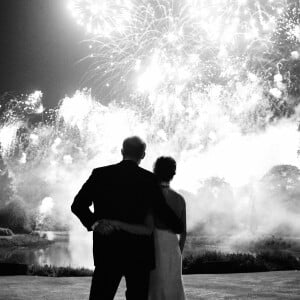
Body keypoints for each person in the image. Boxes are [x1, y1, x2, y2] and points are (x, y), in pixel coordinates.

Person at [71, 136, 184, 300]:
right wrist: (177, 225)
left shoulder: (100, 174)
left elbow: (78, 205)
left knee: (100, 296)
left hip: (107, 249)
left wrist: (95, 223)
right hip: (139, 253)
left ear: (122, 151)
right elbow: (162, 210)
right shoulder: (149, 179)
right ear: (143, 155)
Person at [106, 156, 187, 300]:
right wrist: (177, 253)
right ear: (173, 174)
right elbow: (184, 233)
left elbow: (146, 226)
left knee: (152, 287)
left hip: (153, 245)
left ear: (155, 171)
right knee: (172, 286)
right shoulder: (180, 199)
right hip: (173, 248)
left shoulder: (149, 196)